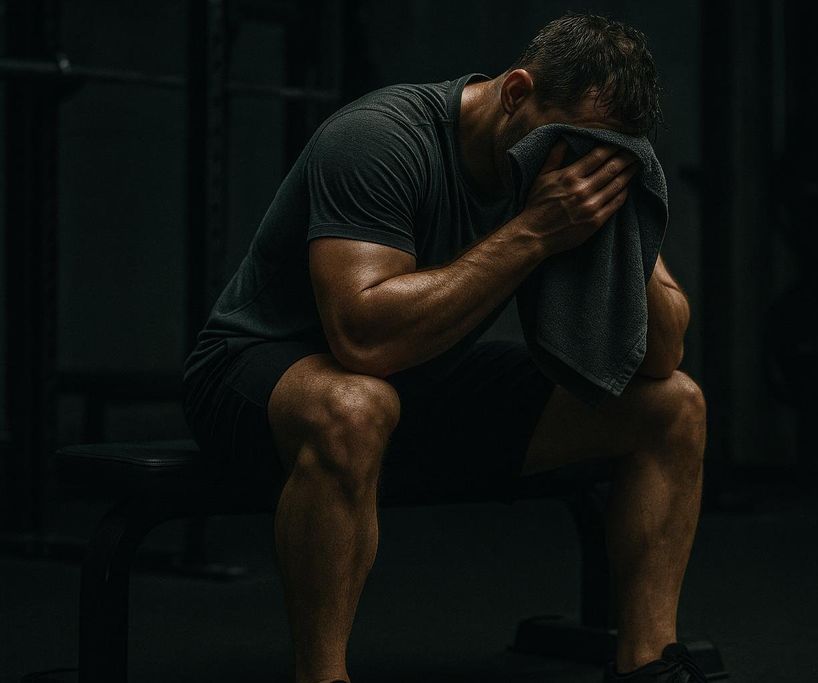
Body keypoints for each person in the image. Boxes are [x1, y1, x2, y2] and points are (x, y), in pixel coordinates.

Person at [182, 11, 707, 683]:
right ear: (516, 93)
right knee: (356, 405)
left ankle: (649, 668)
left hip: (415, 381)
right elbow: (363, 339)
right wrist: (534, 233)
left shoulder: (575, 180)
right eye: (574, 145)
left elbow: (661, 356)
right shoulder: (380, 137)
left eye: (609, 156)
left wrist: (624, 215)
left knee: (673, 406)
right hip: (257, 372)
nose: (584, 169)